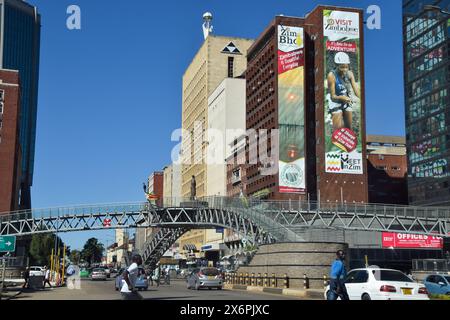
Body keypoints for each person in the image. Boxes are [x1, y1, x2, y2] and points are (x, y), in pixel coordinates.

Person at [326, 52, 361, 133]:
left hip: (346, 99)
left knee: (348, 127)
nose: (345, 70)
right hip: (335, 100)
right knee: (338, 128)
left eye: (346, 67)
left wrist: (363, 99)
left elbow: (356, 90)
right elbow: (333, 96)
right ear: (336, 65)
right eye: (342, 67)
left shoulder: (350, 74)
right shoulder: (331, 76)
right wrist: (341, 98)